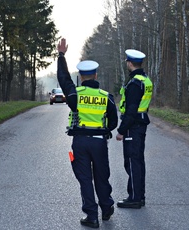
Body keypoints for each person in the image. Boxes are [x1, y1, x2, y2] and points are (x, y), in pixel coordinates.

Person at [57, 38, 118, 228]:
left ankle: (92, 216)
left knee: (84, 178)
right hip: (99, 142)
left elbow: (63, 78)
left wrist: (61, 55)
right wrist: (103, 130)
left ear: (81, 76)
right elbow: (114, 122)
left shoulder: (75, 94)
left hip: (80, 142)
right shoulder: (106, 96)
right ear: (96, 75)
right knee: (102, 176)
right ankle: (106, 208)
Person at [116, 49, 153, 209]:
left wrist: (121, 130)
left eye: (127, 62)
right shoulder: (145, 80)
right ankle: (139, 196)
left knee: (131, 162)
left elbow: (131, 110)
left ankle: (134, 198)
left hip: (133, 126)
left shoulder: (135, 83)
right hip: (141, 124)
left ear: (130, 63)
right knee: (138, 161)